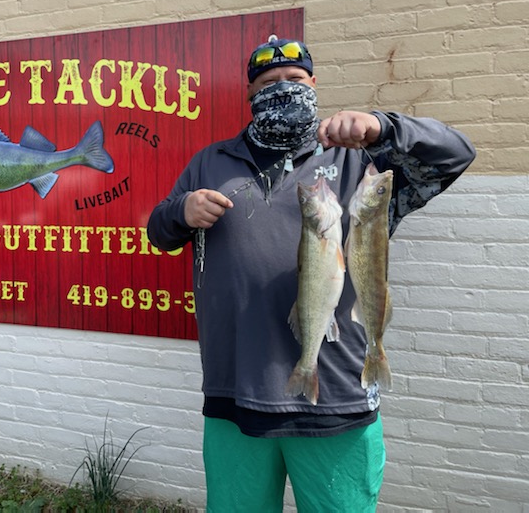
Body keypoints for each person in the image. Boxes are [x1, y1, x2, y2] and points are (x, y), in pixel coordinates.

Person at [146, 35, 476, 512]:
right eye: (268, 82)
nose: (283, 88)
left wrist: (381, 127)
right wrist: (181, 211)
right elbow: (159, 232)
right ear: (250, 92)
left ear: (314, 83)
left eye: (295, 78)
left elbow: (455, 155)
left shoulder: (361, 161)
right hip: (235, 392)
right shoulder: (211, 163)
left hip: (336, 397)